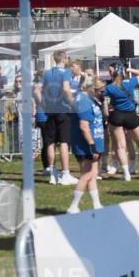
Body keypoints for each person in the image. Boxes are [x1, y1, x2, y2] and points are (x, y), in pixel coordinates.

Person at [103, 63, 139, 181]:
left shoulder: (109, 87)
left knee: (120, 146)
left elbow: (100, 94)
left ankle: (126, 173)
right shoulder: (130, 83)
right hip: (131, 116)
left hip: (117, 116)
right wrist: (130, 69)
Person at [67, 75, 105, 214]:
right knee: (87, 174)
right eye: (100, 91)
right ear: (92, 89)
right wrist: (92, 144)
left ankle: (96, 204)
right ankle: (73, 206)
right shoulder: (83, 100)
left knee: (92, 174)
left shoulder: (90, 99)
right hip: (86, 143)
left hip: (95, 138)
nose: (102, 93)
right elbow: (83, 126)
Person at [40, 50, 77, 186]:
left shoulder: (47, 73)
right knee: (63, 142)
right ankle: (65, 173)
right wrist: (72, 103)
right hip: (63, 110)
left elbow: (38, 89)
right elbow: (66, 89)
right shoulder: (66, 72)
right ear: (64, 59)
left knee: (50, 143)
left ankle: (52, 174)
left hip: (50, 111)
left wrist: (42, 104)